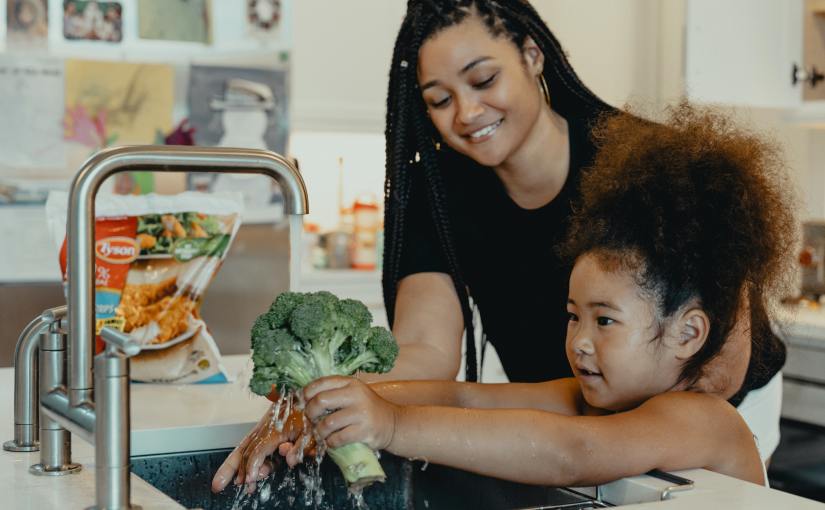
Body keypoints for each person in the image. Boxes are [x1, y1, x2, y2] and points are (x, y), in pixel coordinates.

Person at [212, 0, 786, 492]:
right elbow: (450, 381)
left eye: (483, 80)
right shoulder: (439, 193)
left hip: (689, 397)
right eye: (439, 99)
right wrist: (328, 403)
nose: (466, 112)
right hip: (600, 397)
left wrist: (388, 424)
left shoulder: (649, 173)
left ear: (532, 55)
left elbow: (578, 448)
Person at [280, 103, 796, 487]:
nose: (580, 342)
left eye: (605, 321)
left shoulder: (702, 418)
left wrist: (390, 425)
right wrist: (347, 402)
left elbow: (573, 452)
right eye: (574, 317)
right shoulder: (598, 399)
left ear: (687, 332)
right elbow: (464, 397)